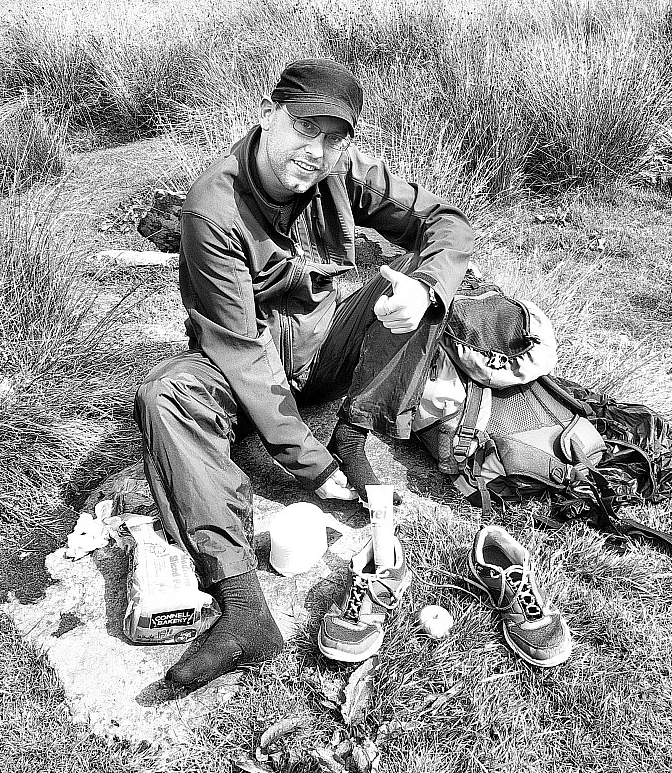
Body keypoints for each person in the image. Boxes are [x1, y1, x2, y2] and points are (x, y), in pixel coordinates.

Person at [133, 58, 474, 691]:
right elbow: (240, 354)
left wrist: (426, 287)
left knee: (417, 286)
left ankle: (354, 430)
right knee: (165, 394)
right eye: (303, 127)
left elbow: (444, 222)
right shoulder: (212, 209)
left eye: (333, 137)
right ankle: (243, 609)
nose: (315, 151)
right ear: (269, 116)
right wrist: (312, 466)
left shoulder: (343, 172)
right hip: (239, 370)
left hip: (322, 347)